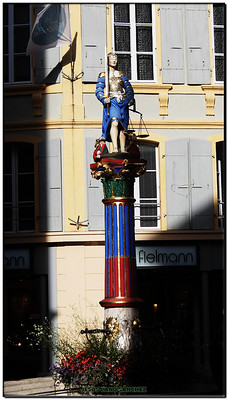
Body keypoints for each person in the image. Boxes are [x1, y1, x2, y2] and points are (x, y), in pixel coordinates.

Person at [95, 52, 134, 153]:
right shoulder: (103, 75)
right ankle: (115, 147)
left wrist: (127, 99)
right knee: (115, 122)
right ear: (107, 61)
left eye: (115, 58)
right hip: (112, 101)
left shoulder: (121, 74)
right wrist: (103, 99)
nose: (114, 60)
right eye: (112, 58)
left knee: (123, 127)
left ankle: (123, 148)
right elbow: (98, 90)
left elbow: (129, 89)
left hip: (122, 101)